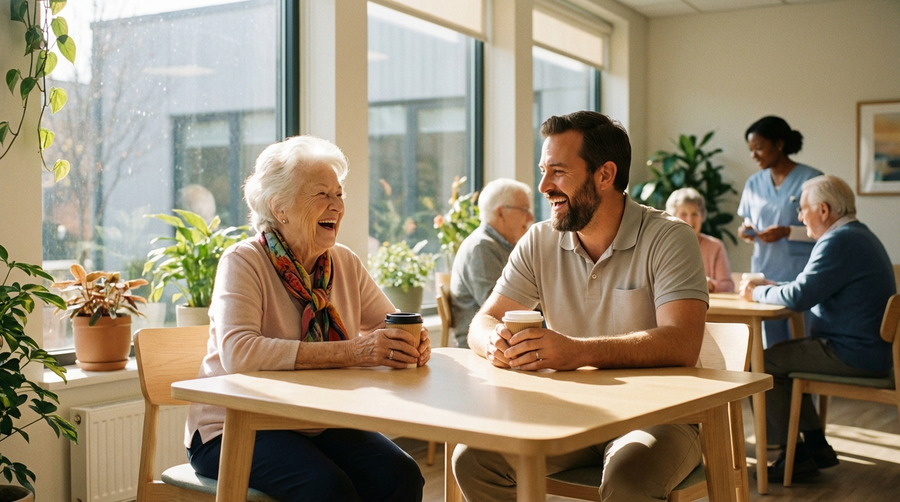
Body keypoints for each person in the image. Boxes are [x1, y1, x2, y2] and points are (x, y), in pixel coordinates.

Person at [452, 111, 709, 502]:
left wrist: (578, 351)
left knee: (629, 480)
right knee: (473, 458)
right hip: (569, 413)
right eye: (543, 170)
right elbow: (484, 319)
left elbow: (682, 343)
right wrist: (495, 342)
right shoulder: (539, 241)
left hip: (659, 419)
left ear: (605, 175)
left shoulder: (669, 237)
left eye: (558, 172)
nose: (543, 186)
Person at [184, 136, 429, 502]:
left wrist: (411, 341)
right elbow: (239, 352)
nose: (336, 206)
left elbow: (387, 323)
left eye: (339, 194)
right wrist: (353, 353)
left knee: (401, 475)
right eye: (322, 195)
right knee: (327, 489)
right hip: (233, 426)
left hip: (314, 422)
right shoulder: (243, 261)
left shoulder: (342, 261)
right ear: (279, 207)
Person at [740, 175, 896, 482]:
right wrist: (774, 286)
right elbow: (809, 287)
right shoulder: (855, 235)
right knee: (775, 357)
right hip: (870, 351)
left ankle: (796, 457)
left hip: (854, 354)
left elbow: (799, 297)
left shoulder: (839, 241)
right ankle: (815, 447)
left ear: (823, 210)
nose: (799, 216)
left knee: (762, 363)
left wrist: (756, 292)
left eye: (802, 209)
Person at [738, 116, 823, 347]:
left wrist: (788, 231)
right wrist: (746, 230)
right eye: (751, 149)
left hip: (799, 272)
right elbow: (748, 220)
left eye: (759, 147)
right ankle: (774, 384)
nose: (753, 155)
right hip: (763, 271)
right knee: (769, 342)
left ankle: (801, 384)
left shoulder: (812, 180)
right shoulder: (754, 183)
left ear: (779, 144)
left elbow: (825, 229)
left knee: (801, 337)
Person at [450, 178, 534, 348]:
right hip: (487, 346)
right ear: (500, 212)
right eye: (524, 210)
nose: (530, 217)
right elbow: (502, 310)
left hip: (507, 341)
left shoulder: (502, 246)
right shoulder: (481, 247)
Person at [666, 187, 734, 293]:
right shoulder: (664, 246)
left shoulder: (715, 246)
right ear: (672, 217)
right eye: (683, 214)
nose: (690, 220)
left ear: (702, 216)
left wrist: (711, 285)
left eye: (695, 214)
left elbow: (728, 287)